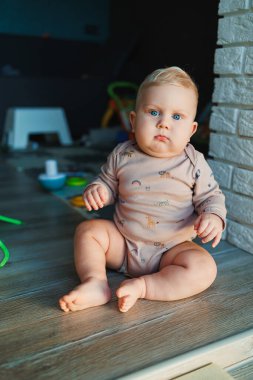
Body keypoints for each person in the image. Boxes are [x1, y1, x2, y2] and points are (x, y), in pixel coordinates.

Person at [59, 66, 226, 313]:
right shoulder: (123, 154)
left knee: (204, 267)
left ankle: (145, 287)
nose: (164, 124)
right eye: (154, 112)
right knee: (88, 231)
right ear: (134, 120)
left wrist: (213, 216)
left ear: (191, 130)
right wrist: (99, 190)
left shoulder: (194, 163)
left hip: (172, 251)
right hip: (123, 245)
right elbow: (106, 181)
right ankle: (96, 283)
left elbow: (211, 196)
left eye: (177, 117)